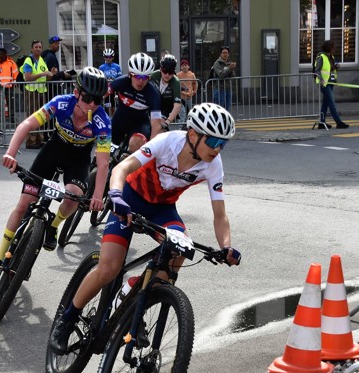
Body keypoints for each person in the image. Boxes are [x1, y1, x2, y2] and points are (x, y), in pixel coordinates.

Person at [49, 102, 242, 354]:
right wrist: (115, 195)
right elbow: (123, 167)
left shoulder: (212, 165)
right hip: (129, 199)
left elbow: (220, 215)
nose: (218, 150)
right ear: (193, 135)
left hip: (161, 209)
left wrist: (225, 246)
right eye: (214, 142)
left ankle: (136, 296)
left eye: (223, 144)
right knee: (108, 268)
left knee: (181, 247)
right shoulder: (167, 142)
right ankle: (67, 319)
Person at [0, 67, 111, 278]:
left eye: (97, 100)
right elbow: (27, 125)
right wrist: (11, 154)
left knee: (74, 196)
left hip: (78, 158)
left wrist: (98, 196)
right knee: (25, 203)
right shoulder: (61, 102)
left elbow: (103, 164)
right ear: (77, 92)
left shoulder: (102, 121)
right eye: (87, 97)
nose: (91, 104)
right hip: (54, 150)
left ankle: (54, 225)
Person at [107, 52, 164, 154]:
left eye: (145, 77)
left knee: (136, 144)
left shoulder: (153, 94)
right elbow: (99, 96)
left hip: (140, 124)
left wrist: (152, 149)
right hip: (119, 120)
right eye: (137, 76)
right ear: (130, 74)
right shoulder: (121, 82)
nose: (141, 81)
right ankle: (95, 164)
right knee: (103, 146)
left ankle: (128, 163)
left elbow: (156, 126)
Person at [21, 40, 52, 149]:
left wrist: (51, 73)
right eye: (36, 47)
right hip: (31, 91)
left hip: (41, 91)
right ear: (31, 49)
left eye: (40, 47)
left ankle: (40, 139)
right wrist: (42, 74)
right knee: (32, 115)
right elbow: (27, 77)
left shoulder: (42, 60)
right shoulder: (29, 60)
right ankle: (30, 141)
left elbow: (47, 77)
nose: (38, 49)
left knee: (41, 115)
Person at [313, 40, 349, 129]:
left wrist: (336, 67)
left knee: (326, 103)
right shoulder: (321, 57)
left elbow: (330, 69)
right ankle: (338, 122)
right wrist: (321, 80)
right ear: (329, 48)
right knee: (331, 103)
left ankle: (322, 122)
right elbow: (317, 70)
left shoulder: (331, 57)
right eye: (333, 48)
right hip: (324, 83)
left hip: (330, 82)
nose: (334, 49)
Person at [149, 54, 182, 130]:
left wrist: (167, 122)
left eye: (170, 72)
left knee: (159, 125)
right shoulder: (154, 76)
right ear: (160, 69)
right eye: (164, 71)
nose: (167, 75)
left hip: (167, 107)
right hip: (154, 105)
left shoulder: (176, 82)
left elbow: (177, 105)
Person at [0, 47, 20, 124]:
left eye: (0, 54)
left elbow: (16, 73)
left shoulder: (11, 63)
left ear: (5, 54)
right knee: (0, 103)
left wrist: (14, 82)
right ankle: (0, 118)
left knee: (11, 102)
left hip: (10, 86)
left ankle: (12, 117)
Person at [211, 46, 236, 111]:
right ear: (220, 54)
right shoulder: (217, 63)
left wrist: (231, 69)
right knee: (219, 109)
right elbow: (221, 75)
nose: (225, 54)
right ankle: (218, 121)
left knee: (227, 108)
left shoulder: (229, 62)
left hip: (228, 88)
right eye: (223, 52)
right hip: (219, 88)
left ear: (228, 54)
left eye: (226, 53)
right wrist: (230, 68)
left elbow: (233, 75)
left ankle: (226, 121)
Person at [99, 48, 122, 117]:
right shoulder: (101, 67)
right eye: (106, 57)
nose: (108, 59)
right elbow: (100, 77)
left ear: (113, 57)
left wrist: (114, 79)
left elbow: (120, 77)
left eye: (110, 57)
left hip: (114, 88)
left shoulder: (117, 66)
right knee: (107, 105)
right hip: (106, 89)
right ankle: (109, 119)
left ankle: (115, 118)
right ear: (104, 57)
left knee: (114, 104)